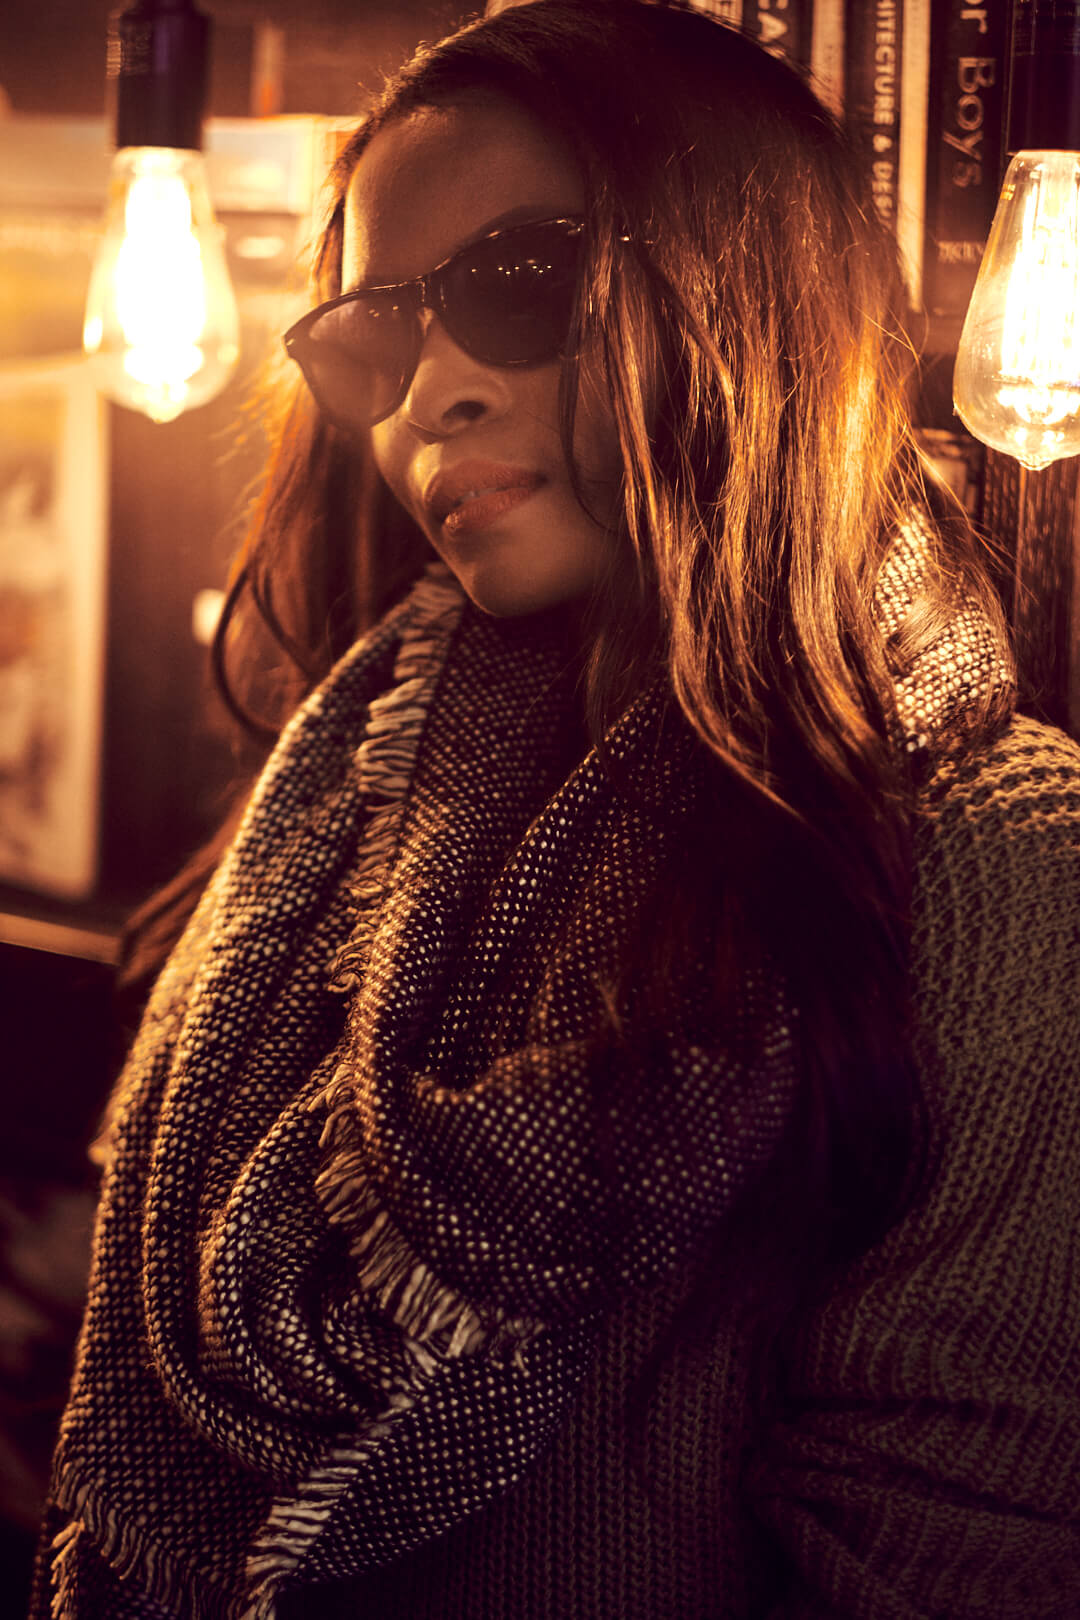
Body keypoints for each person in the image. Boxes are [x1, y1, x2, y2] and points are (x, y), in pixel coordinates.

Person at [32, 3, 1080, 1616]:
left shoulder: (999, 854)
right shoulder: (352, 801)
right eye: (370, 343)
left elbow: (939, 1550)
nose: (424, 398)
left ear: (750, 297)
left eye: (521, 285)